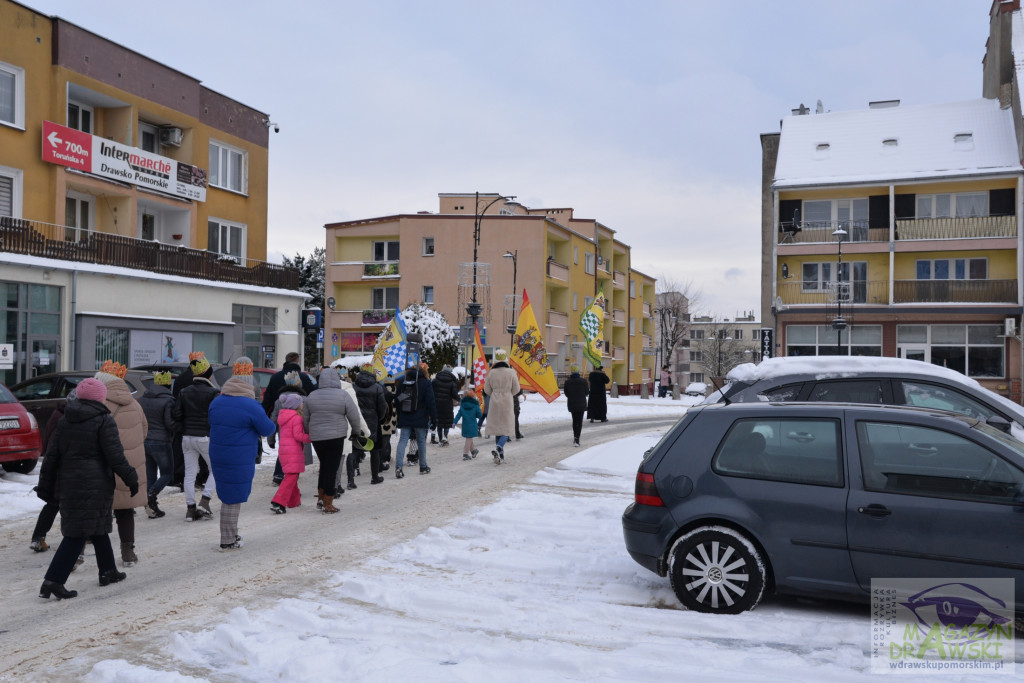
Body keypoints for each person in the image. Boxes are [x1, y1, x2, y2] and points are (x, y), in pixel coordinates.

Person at [36, 378, 139, 599]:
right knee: (78, 534)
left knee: (98, 527)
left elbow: (52, 456)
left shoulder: (65, 420)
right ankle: (53, 581)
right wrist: (131, 478)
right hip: (95, 484)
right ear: (99, 398)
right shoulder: (103, 420)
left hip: (70, 483)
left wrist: (45, 486)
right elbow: (115, 456)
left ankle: (108, 571)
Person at [207, 373, 276, 550]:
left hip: (218, 453)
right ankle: (228, 539)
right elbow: (268, 429)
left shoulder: (217, 402)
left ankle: (231, 533)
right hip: (239, 456)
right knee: (233, 496)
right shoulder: (250, 405)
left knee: (228, 493)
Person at [96, 360, 148, 567]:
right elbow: (144, 431)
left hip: (104, 465)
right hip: (129, 466)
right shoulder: (135, 404)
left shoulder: (99, 404)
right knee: (125, 510)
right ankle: (128, 552)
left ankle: (80, 552)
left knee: (97, 510)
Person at [302, 367, 363, 513]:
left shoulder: (312, 396)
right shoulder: (343, 395)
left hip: (317, 437)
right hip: (336, 436)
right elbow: (354, 416)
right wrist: (356, 431)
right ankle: (328, 502)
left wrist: (310, 431)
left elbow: (305, 418)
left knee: (324, 465)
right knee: (331, 468)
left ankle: (321, 498)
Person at [172, 355, 219, 522]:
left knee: (190, 474)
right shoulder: (213, 393)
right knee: (216, 470)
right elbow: (216, 417)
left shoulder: (184, 392)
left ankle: (190, 509)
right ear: (209, 376)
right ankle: (205, 501)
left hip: (187, 438)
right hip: (205, 437)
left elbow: (177, 414)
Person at [262, 352, 317, 486]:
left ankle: (279, 475)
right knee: (296, 449)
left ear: (285, 361)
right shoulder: (304, 377)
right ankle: (290, 479)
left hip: (282, 418)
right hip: (299, 419)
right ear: (297, 362)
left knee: (285, 447)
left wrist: (265, 416)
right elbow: (313, 394)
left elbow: (268, 398)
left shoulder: (275, 378)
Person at [137, 370, 176, 519]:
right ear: (167, 384)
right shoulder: (168, 400)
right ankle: (151, 496)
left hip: (145, 440)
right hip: (161, 441)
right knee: (167, 473)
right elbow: (169, 423)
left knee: (151, 475)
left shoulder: (143, 398)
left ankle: (151, 508)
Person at [393, 363, 438, 477]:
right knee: (421, 441)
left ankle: (398, 467)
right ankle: (423, 466)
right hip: (421, 417)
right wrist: (434, 419)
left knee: (402, 441)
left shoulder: (404, 381)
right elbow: (431, 402)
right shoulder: (426, 383)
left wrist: (399, 415)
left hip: (405, 415)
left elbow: (397, 400)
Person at [270, 393, 310, 513]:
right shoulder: (297, 418)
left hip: (284, 450)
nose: (302, 404)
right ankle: (278, 502)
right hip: (293, 451)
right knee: (291, 476)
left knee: (292, 475)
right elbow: (298, 435)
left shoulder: (284, 416)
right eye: (301, 403)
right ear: (296, 406)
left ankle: (294, 501)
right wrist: (311, 437)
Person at [353, 364, 388, 485]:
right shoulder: (377, 387)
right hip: (373, 420)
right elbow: (382, 406)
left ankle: (353, 474)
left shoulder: (353, 386)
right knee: (375, 449)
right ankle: (375, 476)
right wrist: (379, 417)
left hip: (356, 420)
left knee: (355, 447)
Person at [484, 349, 520, 465]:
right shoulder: (511, 372)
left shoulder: (491, 373)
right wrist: (508, 394)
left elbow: (486, 389)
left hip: (494, 401)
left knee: (497, 428)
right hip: (507, 401)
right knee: (507, 428)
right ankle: (499, 448)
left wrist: (495, 394)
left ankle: (500, 456)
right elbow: (516, 389)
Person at [452, 385, 483, 461]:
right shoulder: (475, 405)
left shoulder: (462, 406)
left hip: (465, 425)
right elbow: (479, 415)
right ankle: (465, 454)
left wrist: (454, 422)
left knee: (469, 438)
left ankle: (473, 451)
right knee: (469, 439)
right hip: (472, 425)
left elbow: (458, 415)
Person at [431, 364, 458, 446]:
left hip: (437, 404)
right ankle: (445, 438)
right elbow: (454, 395)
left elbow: (431, 392)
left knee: (439, 423)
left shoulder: (435, 381)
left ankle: (440, 440)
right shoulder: (452, 382)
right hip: (447, 405)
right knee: (446, 422)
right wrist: (461, 400)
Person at [563, 364, 590, 447]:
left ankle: (575, 437)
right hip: (581, 403)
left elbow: (566, 393)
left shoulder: (567, 382)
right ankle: (577, 438)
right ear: (579, 371)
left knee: (574, 420)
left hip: (572, 404)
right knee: (579, 421)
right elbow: (587, 392)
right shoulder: (583, 381)